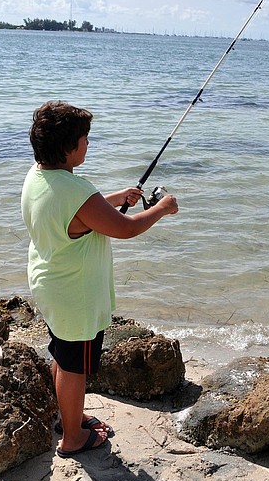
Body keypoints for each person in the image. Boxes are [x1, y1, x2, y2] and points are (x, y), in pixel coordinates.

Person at [20, 100, 179, 458]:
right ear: (68, 148)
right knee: (75, 366)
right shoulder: (77, 191)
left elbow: (74, 214)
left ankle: (68, 418)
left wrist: (114, 198)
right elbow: (124, 228)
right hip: (76, 294)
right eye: (85, 139)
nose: (89, 144)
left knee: (62, 356)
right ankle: (72, 438)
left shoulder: (38, 177)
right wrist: (161, 208)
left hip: (51, 283)